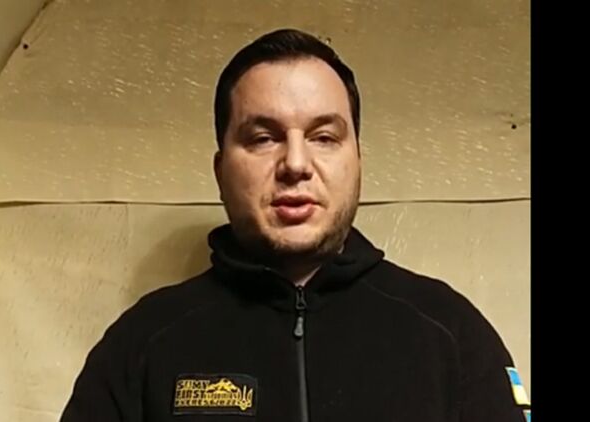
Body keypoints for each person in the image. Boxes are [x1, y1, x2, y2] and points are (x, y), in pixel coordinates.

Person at [60, 28, 530, 422]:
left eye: (323, 137)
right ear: (221, 171)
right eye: (263, 138)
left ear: (357, 163)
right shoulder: (142, 343)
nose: (296, 164)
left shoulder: (451, 334)